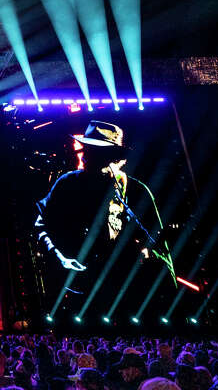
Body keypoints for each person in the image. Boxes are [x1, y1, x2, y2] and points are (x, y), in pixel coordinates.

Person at [34, 121, 176, 299]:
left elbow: (159, 241)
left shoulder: (135, 190)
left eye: (97, 153)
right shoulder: (68, 184)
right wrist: (59, 258)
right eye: (87, 150)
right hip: (78, 289)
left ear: (117, 159)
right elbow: (40, 225)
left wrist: (146, 254)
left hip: (124, 290)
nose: (86, 157)